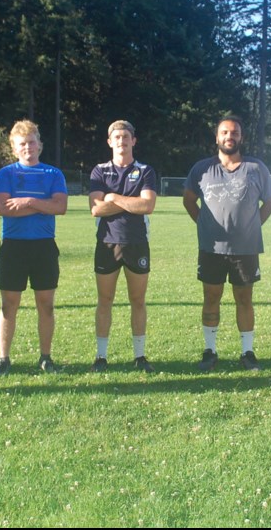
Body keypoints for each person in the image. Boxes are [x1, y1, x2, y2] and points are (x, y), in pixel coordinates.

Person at [183, 116, 271, 371]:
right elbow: (189, 200)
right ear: (217, 137)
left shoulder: (256, 168)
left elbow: (270, 202)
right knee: (211, 297)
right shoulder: (201, 169)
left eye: (234, 132)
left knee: (244, 298)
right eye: (224, 132)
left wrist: (253, 226)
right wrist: (203, 224)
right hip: (212, 249)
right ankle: (209, 350)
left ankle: (247, 352)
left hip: (245, 250)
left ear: (241, 137)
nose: (229, 136)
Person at [0, 120, 68, 376]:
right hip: (13, 247)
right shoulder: (6, 174)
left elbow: (60, 207)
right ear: (14, 148)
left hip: (44, 247)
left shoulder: (53, 174)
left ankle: (45, 357)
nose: (28, 148)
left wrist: (27, 201)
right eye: (22, 144)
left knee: (45, 304)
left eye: (32, 142)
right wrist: (42, 204)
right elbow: (4, 209)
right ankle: (4, 358)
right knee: (8, 305)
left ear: (40, 145)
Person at [88, 120, 158, 373]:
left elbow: (147, 206)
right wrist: (132, 201)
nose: (121, 141)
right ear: (110, 141)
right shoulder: (99, 171)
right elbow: (96, 209)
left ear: (133, 141)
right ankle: (101, 356)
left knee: (138, 300)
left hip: (137, 242)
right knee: (104, 300)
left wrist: (114, 198)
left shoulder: (146, 171)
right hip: (107, 243)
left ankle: (139, 356)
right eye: (116, 137)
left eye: (126, 136)